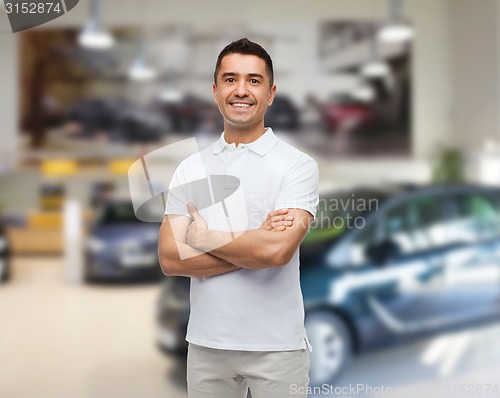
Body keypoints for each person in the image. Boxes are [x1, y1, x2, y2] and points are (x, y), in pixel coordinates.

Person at [158, 38, 319, 398]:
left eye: (254, 80)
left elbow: (276, 252)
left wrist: (202, 237)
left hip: (277, 347)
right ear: (215, 91)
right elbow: (170, 258)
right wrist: (252, 243)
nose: (241, 90)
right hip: (205, 344)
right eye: (230, 79)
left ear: (271, 92)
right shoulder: (190, 168)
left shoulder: (297, 166)